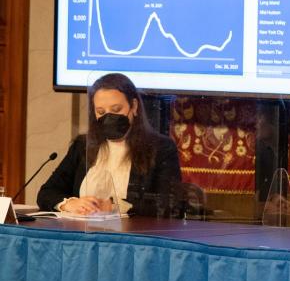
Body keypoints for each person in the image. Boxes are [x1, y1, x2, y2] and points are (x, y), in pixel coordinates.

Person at [37, 73, 182, 214]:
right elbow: (46, 192)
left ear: (134, 107)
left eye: (116, 109)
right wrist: (69, 204)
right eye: (101, 111)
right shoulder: (83, 146)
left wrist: (116, 206)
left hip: (134, 234)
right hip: (82, 232)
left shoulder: (161, 147)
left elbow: (169, 203)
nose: (108, 117)